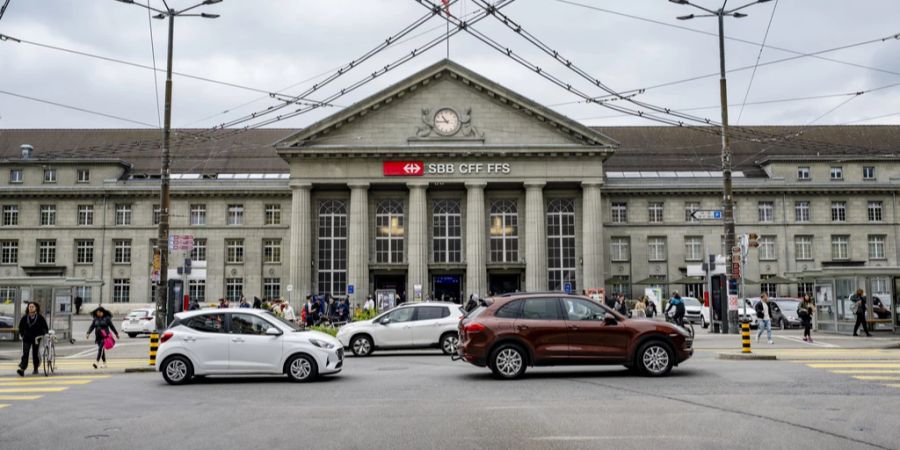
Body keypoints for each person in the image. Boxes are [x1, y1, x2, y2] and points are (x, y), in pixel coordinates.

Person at [17, 302, 49, 377]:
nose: (31, 308)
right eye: (29, 307)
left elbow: (45, 327)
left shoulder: (40, 317)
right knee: (25, 353)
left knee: (35, 354)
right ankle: (22, 369)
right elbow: (20, 327)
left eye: (32, 307)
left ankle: (35, 368)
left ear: (36, 308)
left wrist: (44, 334)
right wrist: (22, 334)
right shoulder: (25, 317)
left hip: (36, 338)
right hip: (27, 338)